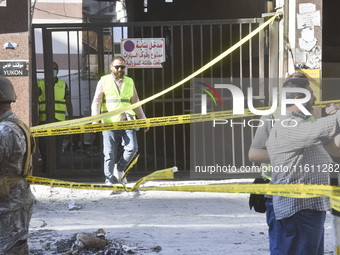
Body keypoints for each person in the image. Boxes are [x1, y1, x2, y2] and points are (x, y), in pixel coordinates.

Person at [265, 76, 340, 254]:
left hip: (307, 210)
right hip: (298, 211)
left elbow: (333, 143)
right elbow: (319, 129)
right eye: (312, 94)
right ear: (299, 100)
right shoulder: (288, 125)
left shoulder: (299, 124)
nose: (315, 98)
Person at [248, 72, 315, 254]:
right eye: (309, 92)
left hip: (307, 195)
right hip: (279, 193)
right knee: (283, 247)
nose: (314, 96)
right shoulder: (271, 117)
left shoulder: (311, 118)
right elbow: (255, 154)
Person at [91, 56, 149, 184]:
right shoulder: (104, 81)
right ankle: (108, 180)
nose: (120, 69)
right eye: (117, 66)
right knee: (109, 154)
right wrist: (95, 120)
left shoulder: (129, 81)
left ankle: (120, 168)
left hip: (127, 121)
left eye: (122, 67)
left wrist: (143, 118)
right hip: (109, 123)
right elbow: (96, 102)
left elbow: (136, 102)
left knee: (132, 148)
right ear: (111, 67)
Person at [0, 77, 35, 254]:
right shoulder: (18, 124)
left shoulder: (3, 131)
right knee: (17, 247)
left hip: (8, 204)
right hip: (19, 198)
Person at [37, 61, 73, 170]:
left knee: (58, 145)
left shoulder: (63, 84)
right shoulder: (40, 84)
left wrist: (70, 118)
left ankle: (53, 166)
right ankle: (46, 163)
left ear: (57, 71)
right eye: (51, 68)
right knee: (42, 144)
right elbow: (34, 101)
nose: (53, 71)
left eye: (55, 69)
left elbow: (68, 102)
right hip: (44, 119)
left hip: (59, 119)